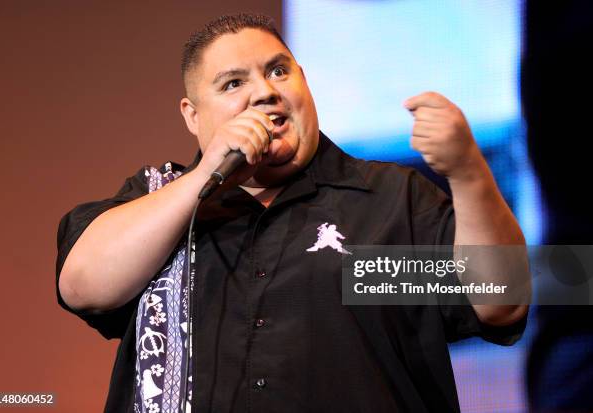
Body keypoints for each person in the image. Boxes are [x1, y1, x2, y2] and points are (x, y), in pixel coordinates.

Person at [56, 13, 529, 413]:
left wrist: (468, 172)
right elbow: (84, 288)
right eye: (234, 83)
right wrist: (205, 179)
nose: (265, 92)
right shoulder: (156, 200)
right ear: (193, 116)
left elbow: (501, 301)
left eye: (279, 71)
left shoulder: (389, 200)